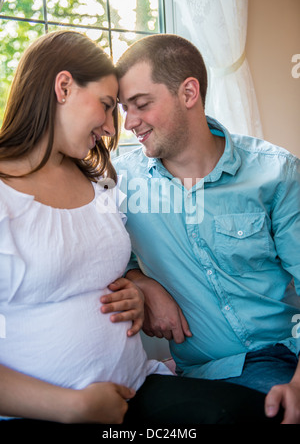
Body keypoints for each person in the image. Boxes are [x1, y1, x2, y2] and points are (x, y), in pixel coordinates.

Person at [0, 30, 278, 428]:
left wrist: (136, 286)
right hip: (49, 411)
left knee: (245, 414)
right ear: (63, 87)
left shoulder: (100, 183)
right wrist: (71, 407)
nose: (114, 128)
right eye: (107, 105)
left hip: (135, 387)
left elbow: (96, 268)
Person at [111, 33, 300, 424]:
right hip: (195, 378)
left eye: (141, 105)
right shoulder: (121, 183)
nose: (129, 123)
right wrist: (142, 282)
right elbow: (106, 256)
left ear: (189, 92)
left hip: (280, 359)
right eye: (123, 109)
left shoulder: (275, 173)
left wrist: (298, 384)